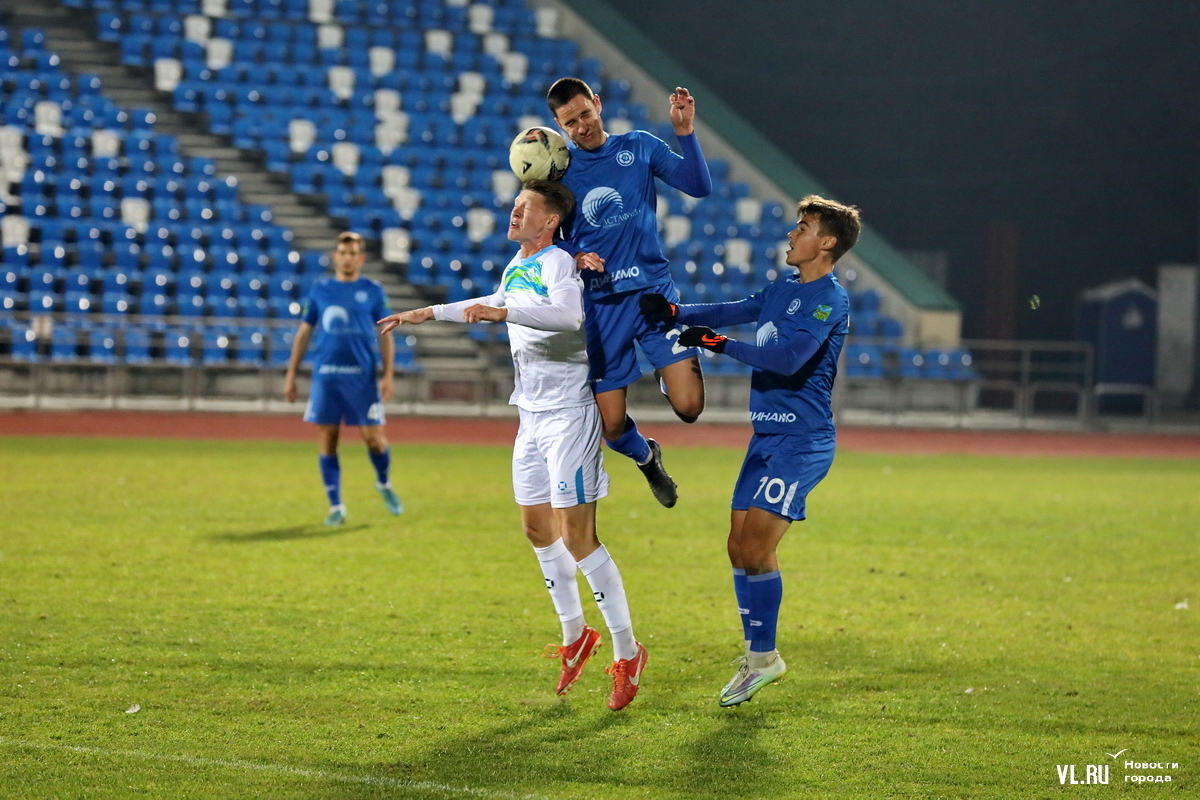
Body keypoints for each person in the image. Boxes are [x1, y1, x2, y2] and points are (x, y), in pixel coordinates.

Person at [378, 180, 649, 710]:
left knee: (578, 537)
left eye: (526, 208)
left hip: (570, 414)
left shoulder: (558, 262)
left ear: (550, 221)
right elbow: (492, 301)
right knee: (534, 527)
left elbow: (568, 317)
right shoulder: (515, 266)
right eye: (515, 205)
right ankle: (576, 637)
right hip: (529, 413)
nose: (515, 212)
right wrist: (427, 313)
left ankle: (626, 650)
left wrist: (505, 314)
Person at [640, 195, 860, 706]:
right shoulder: (784, 288)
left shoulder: (830, 298)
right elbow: (734, 309)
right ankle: (757, 656)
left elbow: (788, 359)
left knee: (758, 547)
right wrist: (676, 311)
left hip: (801, 443)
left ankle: (766, 660)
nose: (791, 235)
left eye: (801, 228)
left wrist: (717, 344)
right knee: (738, 546)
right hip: (766, 439)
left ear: (826, 242)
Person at [547, 77, 714, 509]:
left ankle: (664, 368)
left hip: (653, 298)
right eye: (570, 121)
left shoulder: (638, 146)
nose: (582, 126)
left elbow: (699, 186)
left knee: (691, 406)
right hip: (601, 309)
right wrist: (574, 253)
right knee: (613, 426)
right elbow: (545, 240)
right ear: (559, 125)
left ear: (597, 104)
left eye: (585, 113)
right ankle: (647, 457)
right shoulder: (559, 175)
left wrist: (684, 132)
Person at [283, 231, 402, 526]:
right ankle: (336, 505)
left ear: (360, 258)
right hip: (326, 377)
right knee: (328, 440)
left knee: (374, 440)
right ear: (336, 257)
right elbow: (304, 332)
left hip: (362, 378)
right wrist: (291, 374)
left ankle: (384, 483)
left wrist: (388, 375)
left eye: (353, 254)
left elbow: (385, 335)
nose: (347, 258)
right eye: (343, 253)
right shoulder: (320, 290)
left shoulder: (373, 290)